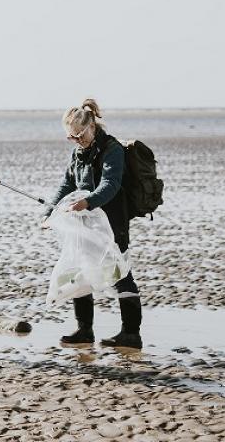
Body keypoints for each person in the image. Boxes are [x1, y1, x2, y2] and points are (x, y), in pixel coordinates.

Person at [44, 98, 143, 349]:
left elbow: (110, 185)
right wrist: (49, 212)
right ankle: (84, 330)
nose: (77, 141)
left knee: (120, 271)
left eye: (79, 135)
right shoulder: (77, 153)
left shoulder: (112, 149)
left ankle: (131, 333)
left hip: (112, 220)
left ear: (92, 127)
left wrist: (87, 202)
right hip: (84, 221)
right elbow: (66, 184)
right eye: (71, 138)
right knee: (80, 269)